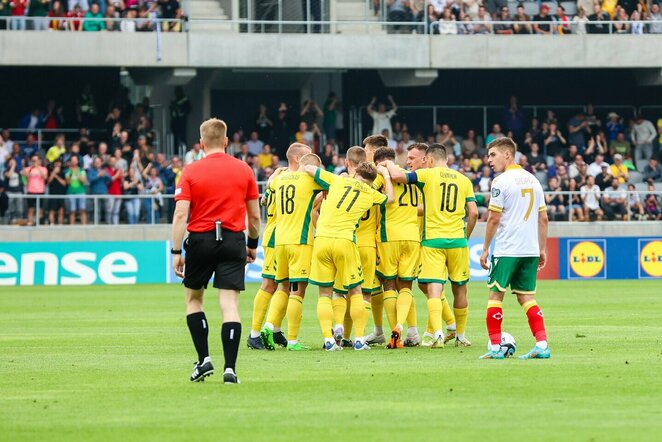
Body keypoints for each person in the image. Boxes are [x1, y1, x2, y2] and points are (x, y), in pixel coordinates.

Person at [172, 118, 260, 384]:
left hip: (200, 240)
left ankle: (204, 359)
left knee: (194, 300)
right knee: (230, 304)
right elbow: (255, 217)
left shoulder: (189, 171)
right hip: (233, 240)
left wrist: (176, 250)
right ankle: (230, 369)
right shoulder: (244, 169)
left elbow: (180, 214)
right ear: (226, 141)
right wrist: (252, 244)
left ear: (200, 144)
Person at [387, 144, 478, 349]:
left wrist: (386, 164)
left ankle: (437, 335)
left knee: (434, 289)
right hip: (458, 241)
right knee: (460, 289)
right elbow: (473, 213)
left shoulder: (427, 175)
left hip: (433, 241)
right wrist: (466, 236)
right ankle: (460, 336)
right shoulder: (464, 180)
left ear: (428, 160)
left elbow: (400, 177)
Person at [303, 161, 394, 351]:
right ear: (370, 181)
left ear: (355, 174)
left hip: (321, 240)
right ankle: (359, 340)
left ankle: (329, 341)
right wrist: (385, 176)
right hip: (345, 241)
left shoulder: (336, 180)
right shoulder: (370, 192)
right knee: (355, 292)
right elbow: (390, 199)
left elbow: (308, 168)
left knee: (325, 293)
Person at [479, 137, 550, 360]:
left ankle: (495, 347)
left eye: (493, 155)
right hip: (529, 250)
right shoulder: (533, 180)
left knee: (495, 296)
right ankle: (542, 345)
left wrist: (484, 249)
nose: (488, 160)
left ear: (507, 154)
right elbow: (544, 219)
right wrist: (542, 249)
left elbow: (493, 218)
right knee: (526, 298)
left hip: (508, 249)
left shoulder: (501, 182)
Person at [247, 143, 312, 351]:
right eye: (308, 156)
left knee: (283, 285)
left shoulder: (278, 177)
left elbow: (264, 200)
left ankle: (274, 330)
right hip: (279, 234)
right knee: (271, 285)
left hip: (279, 233)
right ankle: (255, 333)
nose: (312, 160)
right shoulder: (296, 179)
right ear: (297, 159)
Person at [261, 151, 327, 351]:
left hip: (280, 242)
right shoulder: (310, 181)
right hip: (299, 242)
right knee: (298, 292)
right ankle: (292, 340)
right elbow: (331, 185)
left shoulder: (280, 179)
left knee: (283, 286)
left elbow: (268, 194)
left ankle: (268, 325)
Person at [21, 154, 48, 226]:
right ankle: (30, 222)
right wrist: (25, 166)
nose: (34, 162)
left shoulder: (43, 169)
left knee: (40, 208)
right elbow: (24, 176)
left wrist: (38, 167)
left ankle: (39, 223)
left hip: (40, 191)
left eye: (36, 160)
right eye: (33, 160)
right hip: (30, 191)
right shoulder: (28, 169)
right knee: (30, 208)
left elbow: (45, 177)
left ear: (39, 161)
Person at [66, 155, 88, 225]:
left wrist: (77, 172)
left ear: (78, 161)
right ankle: (72, 226)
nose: (73, 162)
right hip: (71, 192)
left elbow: (83, 181)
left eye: (75, 160)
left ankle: (84, 226)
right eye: (72, 160)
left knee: (82, 210)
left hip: (81, 192)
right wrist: (71, 172)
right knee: (72, 211)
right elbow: (67, 182)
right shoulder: (68, 171)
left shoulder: (82, 170)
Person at [47, 159, 67, 225]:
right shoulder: (50, 172)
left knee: (61, 211)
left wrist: (56, 176)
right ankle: (51, 224)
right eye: (56, 163)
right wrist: (53, 173)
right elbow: (49, 181)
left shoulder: (63, 173)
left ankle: (60, 224)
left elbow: (64, 183)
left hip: (61, 194)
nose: (57, 165)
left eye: (59, 163)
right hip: (52, 194)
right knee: (52, 210)